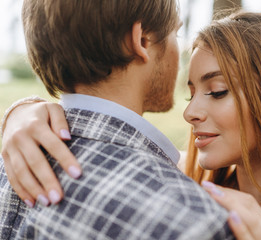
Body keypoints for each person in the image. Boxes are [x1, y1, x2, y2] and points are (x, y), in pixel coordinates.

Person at [2, 10, 261, 240]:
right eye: (192, 93)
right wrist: (22, 110)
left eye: (217, 91)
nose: (190, 113)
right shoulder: (184, 180)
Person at [0, 0, 236, 239]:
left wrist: (18, 109)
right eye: (175, 33)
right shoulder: (195, 221)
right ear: (141, 41)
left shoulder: (11, 161)